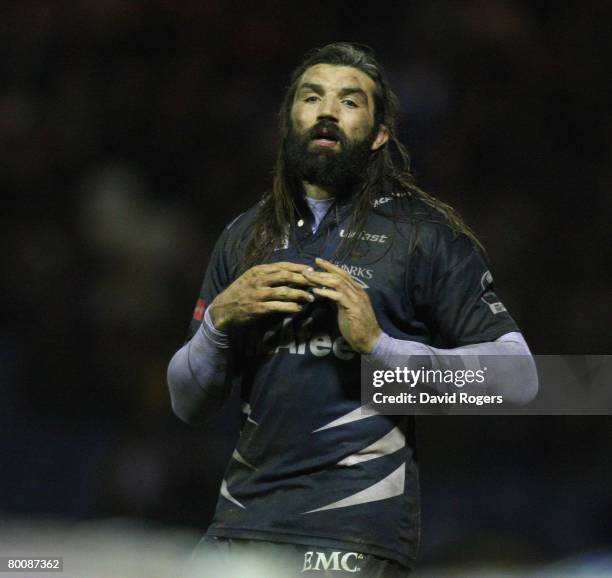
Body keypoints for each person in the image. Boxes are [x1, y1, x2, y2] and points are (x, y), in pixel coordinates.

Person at [167, 42, 538, 577]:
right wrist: (218, 325)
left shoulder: (424, 236)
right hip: (240, 524)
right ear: (288, 120)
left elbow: (519, 380)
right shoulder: (244, 237)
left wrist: (377, 345)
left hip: (355, 528)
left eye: (349, 101)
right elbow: (187, 403)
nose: (326, 111)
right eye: (311, 97)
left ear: (379, 132)